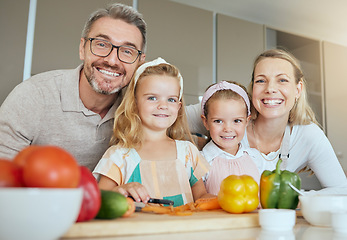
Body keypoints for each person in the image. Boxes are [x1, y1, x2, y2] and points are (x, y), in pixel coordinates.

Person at [0, 3, 147, 171]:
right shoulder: (32, 96)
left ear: (140, 62)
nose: (112, 60)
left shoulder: (142, 110)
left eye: (127, 51)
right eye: (101, 44)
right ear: (82, 49)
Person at [93, 58, 213, 206]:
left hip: (184, 229)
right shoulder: (119, 156)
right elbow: (99, 200)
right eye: (152, 98)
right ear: (134, 103)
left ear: (179, 107)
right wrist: (121, 190)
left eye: (171, 99)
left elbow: (201, 196)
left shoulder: (188, 152)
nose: (163, 105)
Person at [241, 48, 347, 193]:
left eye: (282, 80)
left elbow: (341, 189)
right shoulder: (232, 123)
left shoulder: (307, 134)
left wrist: (298, 199)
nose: (270, 88)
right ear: (253, 88)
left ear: (298, 90)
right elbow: (203, 115)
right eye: (261, 80)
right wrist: (198, 144)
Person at [200, 81, 260, 195]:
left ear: (247, 121)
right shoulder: (200, 161)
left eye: (237, 121)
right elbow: (198, 200)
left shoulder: (256, 157)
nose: (228, 129)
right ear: (206, 122)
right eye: (218, 121)